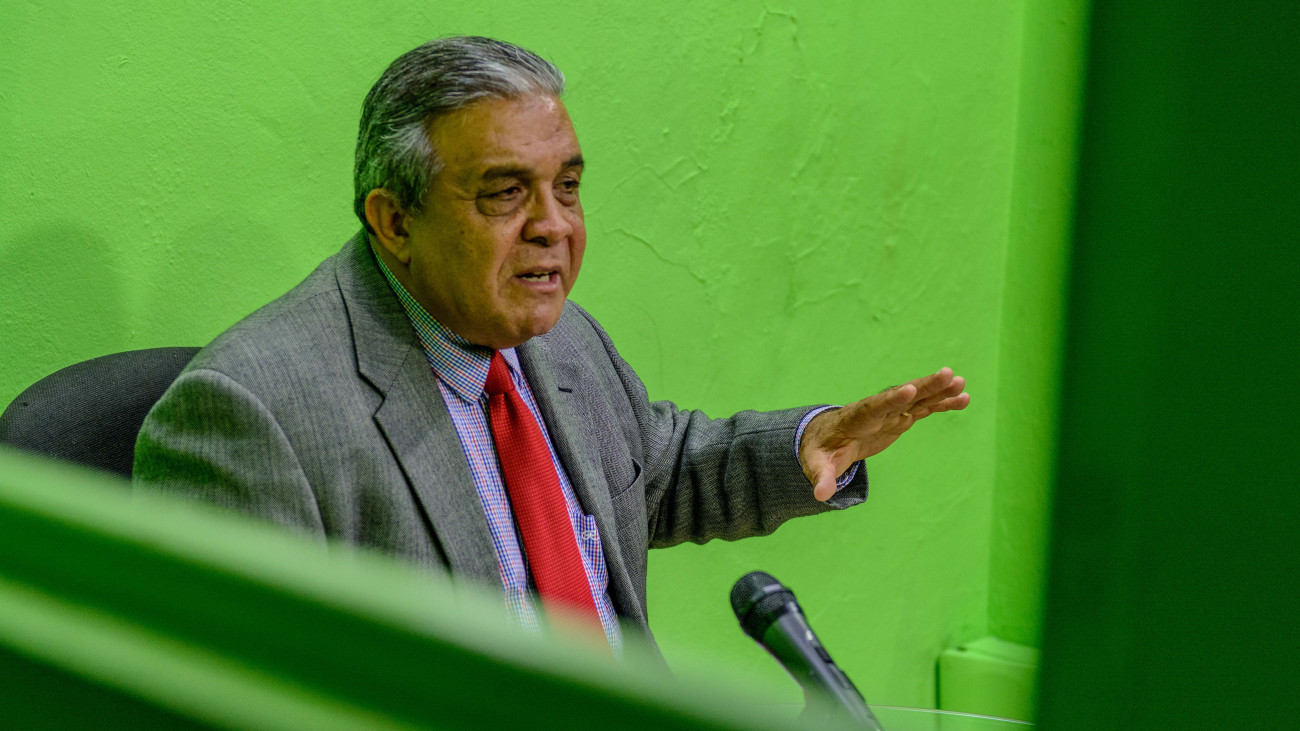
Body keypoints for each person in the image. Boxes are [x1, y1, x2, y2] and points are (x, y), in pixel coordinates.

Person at [133, 36, 969, 652]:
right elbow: (242, 695)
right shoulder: (253, 414)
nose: (553, 227)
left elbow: (652, 473)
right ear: (394, 221)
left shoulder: (554, 333)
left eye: (567, 187)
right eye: (505, 194)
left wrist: (808, 444)